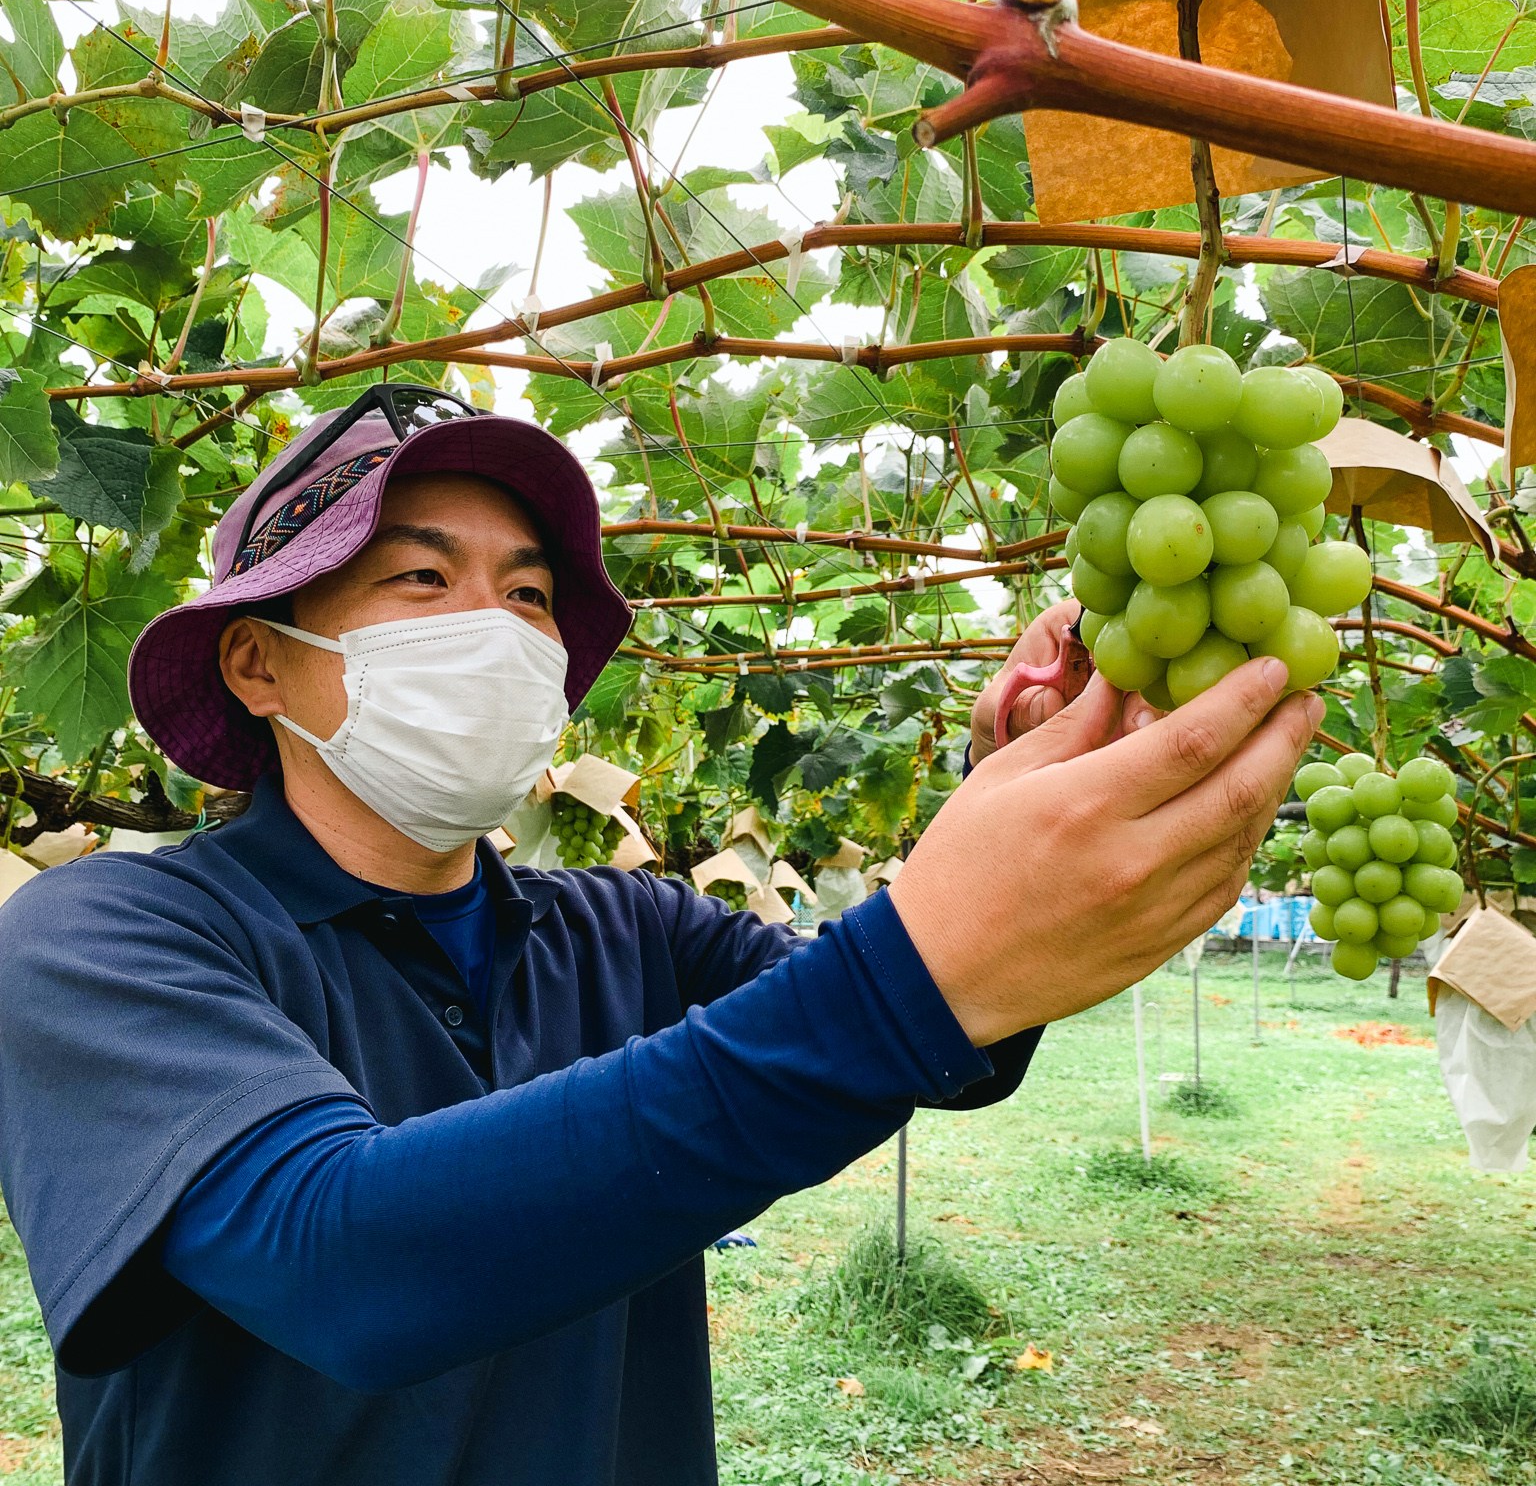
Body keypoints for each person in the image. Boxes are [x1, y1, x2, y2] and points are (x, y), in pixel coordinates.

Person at [0, 384, 1320, 1486]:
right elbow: (340, 1260)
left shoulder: (622, 928)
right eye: (421, 575)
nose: (497, 627)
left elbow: (939, 1046)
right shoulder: (107, 937)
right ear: (258, 663)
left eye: (527, 595)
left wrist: (999, 801)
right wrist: (921, 966)